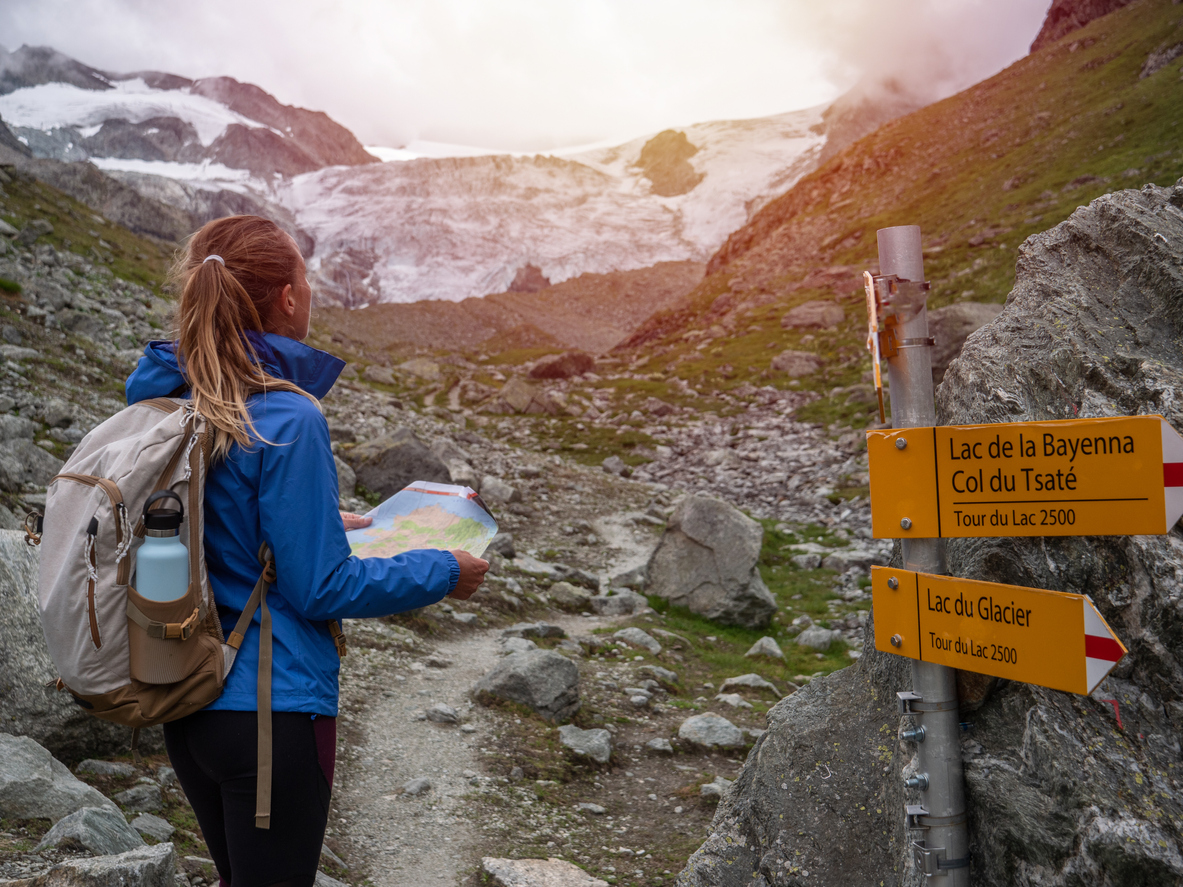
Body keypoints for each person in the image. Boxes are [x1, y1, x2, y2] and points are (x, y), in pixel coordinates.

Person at [124, 214, 488, 887]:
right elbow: (322, 588)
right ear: (288, 298)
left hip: (186, 700)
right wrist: (444, 569)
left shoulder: (171, 396)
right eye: (306, 279)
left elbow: (219, 524)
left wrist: (331, 519)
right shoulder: (289, 416)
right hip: (271, 709)